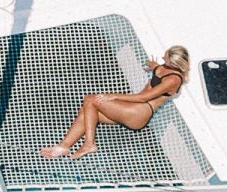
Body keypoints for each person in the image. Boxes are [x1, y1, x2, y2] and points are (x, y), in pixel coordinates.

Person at [40, 45, 191, 159]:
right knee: (88, 111)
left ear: (174, 64)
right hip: (133, 107)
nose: (163, 58)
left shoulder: (174, 79)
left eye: (166, 58)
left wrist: (114, 96)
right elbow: (159, 69)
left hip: (139, 113)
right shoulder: (166, 67)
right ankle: (63, 147)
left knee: (90, 99)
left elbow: (143, 97)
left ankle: (89, 144)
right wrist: (154, 66)